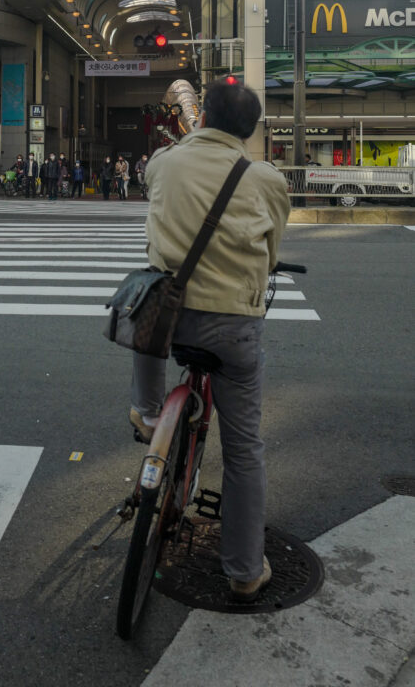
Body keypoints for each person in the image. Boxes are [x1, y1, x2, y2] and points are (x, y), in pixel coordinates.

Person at [129, 77, 290, 602]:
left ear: (202, 119)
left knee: (147, 314)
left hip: (168, 319)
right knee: (245, 449)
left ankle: (150, 413)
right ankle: (244, 570)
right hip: (232, 327)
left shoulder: (164, 163)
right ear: (250, 129)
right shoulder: (266, 179)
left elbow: (161, 164)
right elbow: (269, 253)